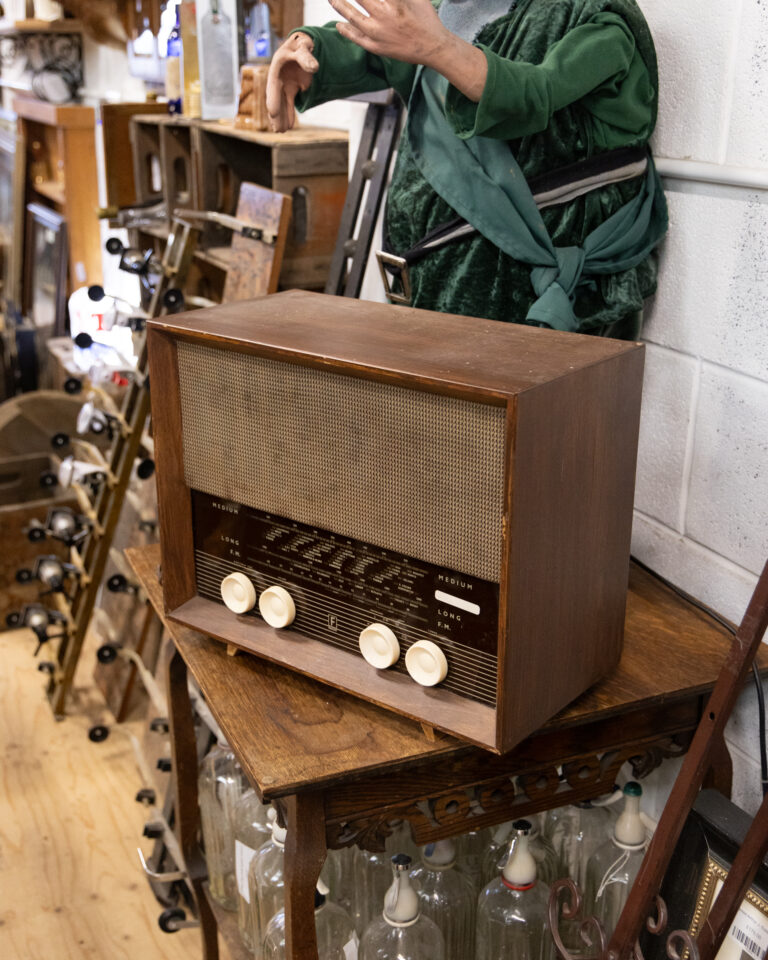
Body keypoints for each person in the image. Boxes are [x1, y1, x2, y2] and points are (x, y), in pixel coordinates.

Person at [266, 0, 668, 339]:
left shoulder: (598, 21)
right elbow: (369, 46)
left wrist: (436, 47)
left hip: (528, 308)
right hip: (429, 293)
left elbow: (532, 95)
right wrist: (307, 49)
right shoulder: (449, 8)